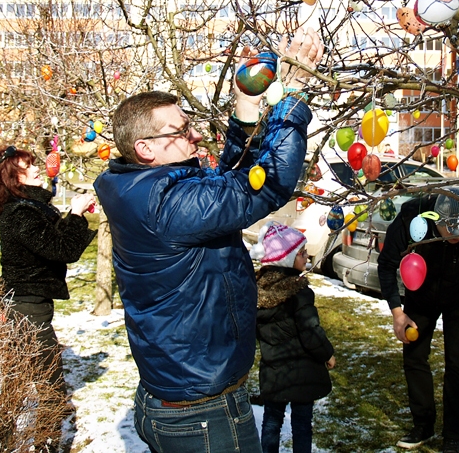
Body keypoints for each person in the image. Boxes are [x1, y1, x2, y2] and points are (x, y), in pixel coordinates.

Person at [93, 28, 323, 453]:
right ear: (146, 148)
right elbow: (265, 186)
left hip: (178, 395)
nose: (195, 135)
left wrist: (246, 109)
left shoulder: (140, 186)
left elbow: (223, 184)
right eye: (181, 131)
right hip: (201, 413)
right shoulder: (168, 207)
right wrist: (293, 95)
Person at [0, 144, 97, 452]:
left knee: (17, 384)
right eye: (27, 166)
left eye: (34, 163)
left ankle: (2, 445)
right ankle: (42, 447)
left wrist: (72, 215)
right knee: (50, 390)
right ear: (13, 178)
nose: (37, 168)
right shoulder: (20, 213)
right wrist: (74, 213)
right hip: (23, 311)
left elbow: (50, 242)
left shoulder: (27, 210)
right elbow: (63, 250)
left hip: (20, 307)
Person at [377, 189, 459, 453]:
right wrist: (397, 312)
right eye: (452, 232)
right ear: (436, 221)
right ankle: (423, 424)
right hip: (420, 293)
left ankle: (454, 435)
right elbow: (387, 263)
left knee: (457, 362)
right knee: (414, 356)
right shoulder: (412, 218)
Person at [252, 223, 336, 453]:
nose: (306, 256)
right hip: (301, 372)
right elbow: (310, 330)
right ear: (287, 259)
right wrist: (327, 353)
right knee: (301, 423)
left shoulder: (257, 292)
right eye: (301, 253)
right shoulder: (299, 293)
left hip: (274, 371)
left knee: (271, 420)